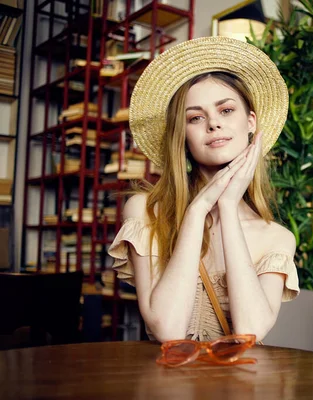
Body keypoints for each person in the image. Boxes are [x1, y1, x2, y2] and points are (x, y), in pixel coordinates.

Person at [107, 36, 299, 343]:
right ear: (182, 135)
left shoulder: (277, 237)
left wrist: (227, 207)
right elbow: (166, 331)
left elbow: (249, 333)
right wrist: (197, 211)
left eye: (226, 110)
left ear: (251, 122)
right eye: (196, 117)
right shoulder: (145, 210)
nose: (213, 124)